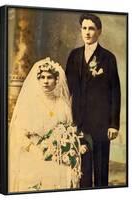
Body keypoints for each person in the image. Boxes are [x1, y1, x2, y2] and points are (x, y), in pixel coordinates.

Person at [9, 57, 85, 192]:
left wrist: (70, 147)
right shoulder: (30, 104)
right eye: (42, 77)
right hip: (33, 154)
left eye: (49, 77)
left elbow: (69, 131)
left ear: (57, 80)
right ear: (37, 80)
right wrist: (35, 150)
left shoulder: (63, 105)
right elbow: (19, 134)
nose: (45, 81)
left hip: (57, 156)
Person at [66, 13, 121, 187]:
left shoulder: (108, 57)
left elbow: (115, 92)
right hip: (79, 122)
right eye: (84, 28)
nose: (87, 32)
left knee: (100, 172)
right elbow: (67, 89)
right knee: (83, 171)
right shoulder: (74, 56)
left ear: (99, 31)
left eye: (91, 28)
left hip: (101, 124)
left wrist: (114, 124)